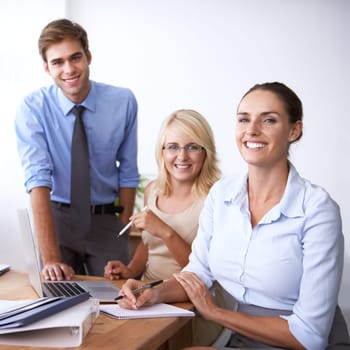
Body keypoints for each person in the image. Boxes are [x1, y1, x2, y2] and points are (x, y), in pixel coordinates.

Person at [117, 82, 347, 349]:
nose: (252, 130)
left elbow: (310, 336)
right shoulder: (222, 194)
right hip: (238, 336)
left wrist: (215, 313)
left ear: (294, 130)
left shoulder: (318, 210)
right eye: (243, 119)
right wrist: (152, 293)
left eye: (269, 120)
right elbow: (197, 272)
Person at [15, 19, 139, 281]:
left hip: (105, 220)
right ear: (47, 68)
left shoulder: (123, 102)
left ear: (88, 57)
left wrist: (122, 228)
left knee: (119, 300)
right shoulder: (33, 108)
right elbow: (37, 179)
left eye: (75, 58)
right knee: (57, 297)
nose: (69, 69)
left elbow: (128, 172)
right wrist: (50, 259)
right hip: (56, 220)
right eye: (58, 62)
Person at [104, 109, 221, 281]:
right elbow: (148, 245)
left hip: (190, 298)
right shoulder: (152, 190)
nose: (182, 156)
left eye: (193, 147)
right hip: (147, 293)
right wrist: (129, 271)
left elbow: (206, 272)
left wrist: (165, 232)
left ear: (205, 152)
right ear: (162, 151)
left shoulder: (216, 198)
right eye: (173, 147)